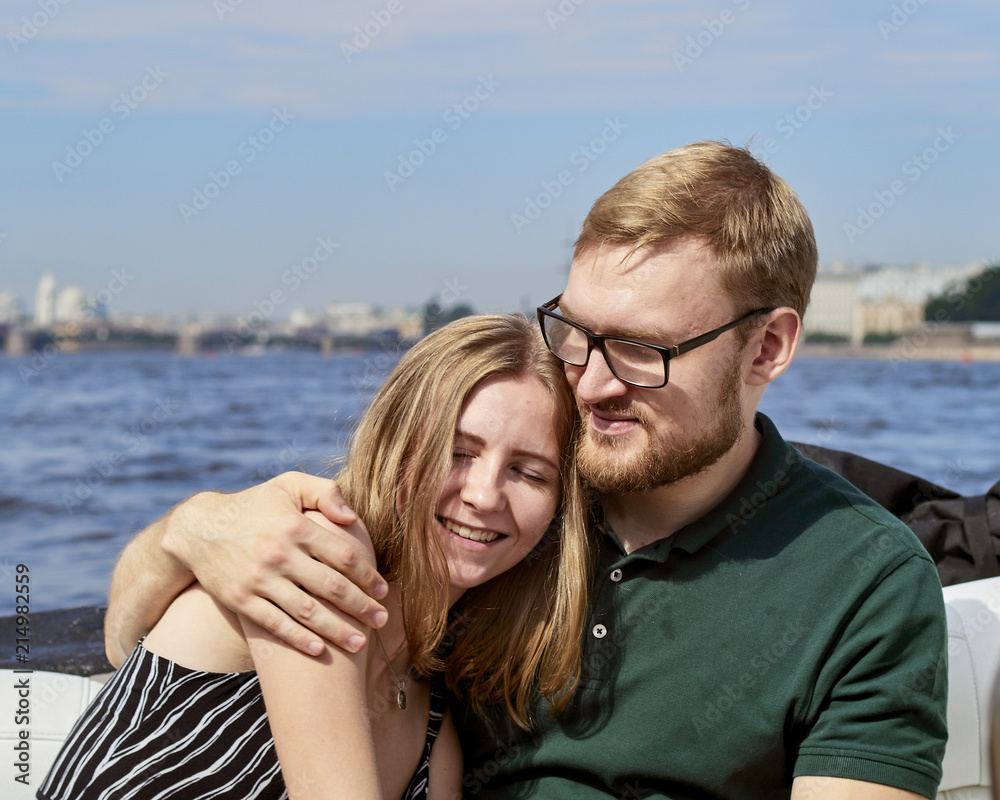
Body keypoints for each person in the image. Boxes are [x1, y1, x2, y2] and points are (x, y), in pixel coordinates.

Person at [103, 141, 948, 799]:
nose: (594, 381)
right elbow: (149, 644)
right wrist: (188, 529)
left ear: (767, 346)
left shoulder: (863, 582)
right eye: (578, 331)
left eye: (643, 350)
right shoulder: (509, 510)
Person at [39, 314, 593, 800]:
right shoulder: (316, 559)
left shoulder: (435, 724)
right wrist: (186, 526)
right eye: (458, 452)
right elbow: (119, 643)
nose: (484, 494)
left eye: (529, 472)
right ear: (399, 450)